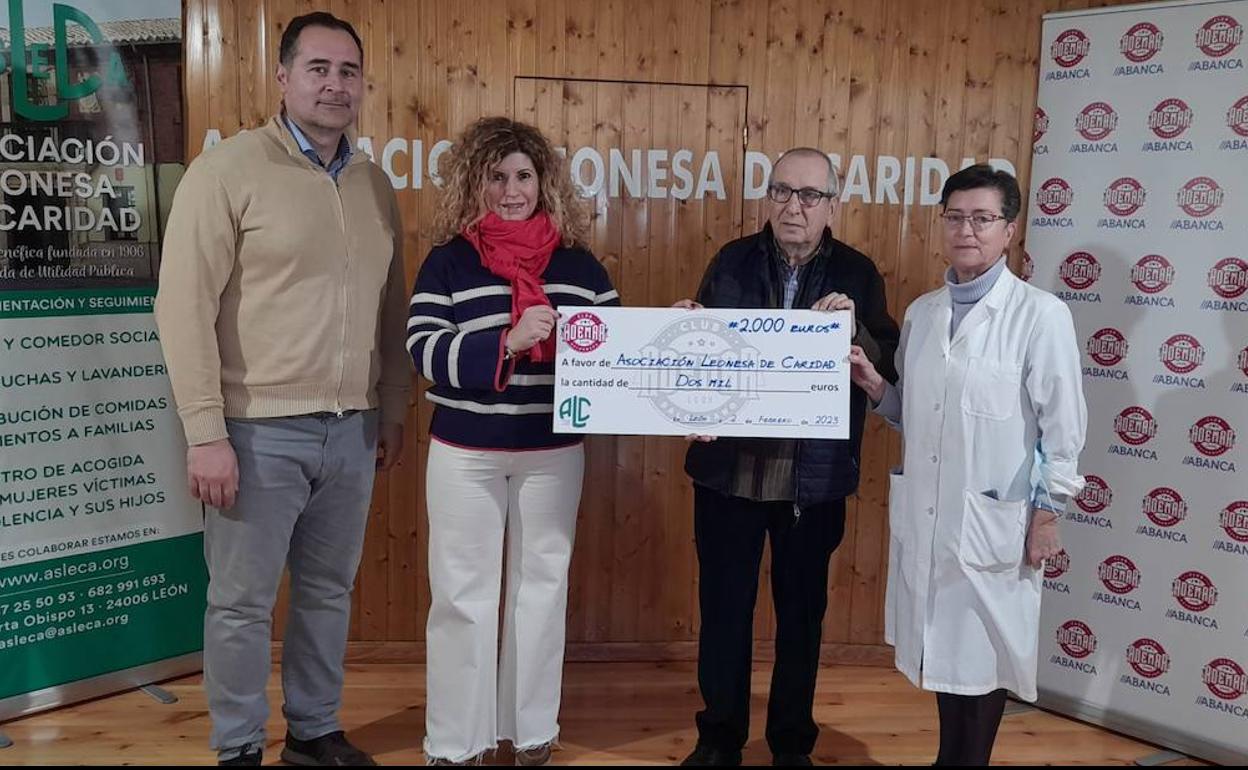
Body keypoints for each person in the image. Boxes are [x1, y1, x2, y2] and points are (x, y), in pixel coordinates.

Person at [154, 12, 409, 766]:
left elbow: (391, 306)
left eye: (348, 72)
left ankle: (312, 731)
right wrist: (206, 432)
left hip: (353, 429)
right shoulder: (226, 171)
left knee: (328, 592)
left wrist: (393, 404)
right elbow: (182, 306)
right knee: (241, 604)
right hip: (255, 430)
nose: (335, 85)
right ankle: (238, 747)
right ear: (283, 76)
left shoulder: (373, 183)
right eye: (318, 68)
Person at [848, 164, 1087, 766]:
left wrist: (1048, 513)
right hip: (932, 516)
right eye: (955, 217)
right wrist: (875, 384)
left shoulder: (1040, 316)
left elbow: (1063, 430)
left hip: (996, 520)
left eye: (982, 218)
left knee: (983, 659)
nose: (966, 231)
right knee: (946, 657)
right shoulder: (923, 314)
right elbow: (915, 416)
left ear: (1009, 230)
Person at [676, 148, 900, 767]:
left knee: (802, 619)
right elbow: (701, 353)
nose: (793, 206)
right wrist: (682, 345)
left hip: (813, 480)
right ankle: (718, 739)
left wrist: (855, 331)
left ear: (832, 204)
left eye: (809, 195)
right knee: (724, 613)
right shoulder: (731, 261)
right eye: (781, 191)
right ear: (767, 196)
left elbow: (885, 358)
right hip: (729, 475)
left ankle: (792, 744)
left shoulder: (858, 272)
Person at [407, 117, 620, 766]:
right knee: (461, 595)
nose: (511, 190)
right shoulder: (448, 260)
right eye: (496, 176)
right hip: (465, 452)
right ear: (473, 183)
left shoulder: (580, 266)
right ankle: (456, 742)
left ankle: (530, 733)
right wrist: (508, 342)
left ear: (544, 182)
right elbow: (423, 349)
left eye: (523, 175)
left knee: (542, 589)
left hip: (553, 453)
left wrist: (664, 336)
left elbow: (613, 354)